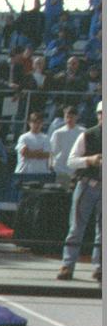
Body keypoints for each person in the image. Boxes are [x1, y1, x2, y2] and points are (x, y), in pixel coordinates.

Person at [58, 101, 102, 281]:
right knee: (76, 227)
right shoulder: (87, 135)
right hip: (87, 184)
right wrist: (89, 160)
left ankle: (99, 267)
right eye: (101, 113)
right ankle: (67, 265)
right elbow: (71, 161)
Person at [50, 106, 85, 184]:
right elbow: (52, 151)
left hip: (77, 171)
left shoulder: (83, 132)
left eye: (71, 117)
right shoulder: (58, 133)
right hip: (61, 170)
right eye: (67, 117)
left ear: (77, 117)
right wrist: (51, 166)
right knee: (62, 194)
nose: (69, 119)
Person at [14, 111, 52, 176]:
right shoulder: (23, 137)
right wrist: (39, 152)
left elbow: (46, 155)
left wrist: (31, 152)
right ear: (29, 123)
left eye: (39, 123)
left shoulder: (46, 138)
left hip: (41, 174)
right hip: (24, 173)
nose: (37, 125)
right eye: (34, 122)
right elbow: (25, 153)